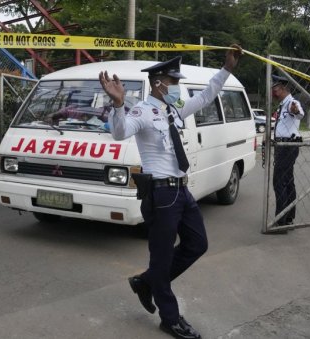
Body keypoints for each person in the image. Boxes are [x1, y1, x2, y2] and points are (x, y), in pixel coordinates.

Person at [99, 45, 242, 339]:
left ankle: (146, 282)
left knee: (197, 244)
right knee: (162, 259)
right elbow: (119, 132)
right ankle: (170, 318)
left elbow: (206, 96)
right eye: (174, 82)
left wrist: (226, 68)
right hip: (161, 195)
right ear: (159, 83)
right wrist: (118, 104)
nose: (178, 87)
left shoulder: (173, 110)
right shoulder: (140, 110)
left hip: (182, 190)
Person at [272, 74, 304, 227]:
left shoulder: (292, 102)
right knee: (288, 182)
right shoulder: (283, 104)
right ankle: (289, 216)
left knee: (279, 182)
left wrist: (296, 110)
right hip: (283, 146)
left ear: (283, 88)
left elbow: (299, 114)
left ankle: (281, 220)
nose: (274, 93)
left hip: (288, 147)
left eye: (275, 89)